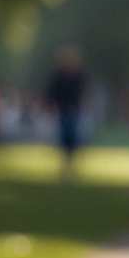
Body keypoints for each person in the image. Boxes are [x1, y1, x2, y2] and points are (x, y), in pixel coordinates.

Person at [45, 47, 86, 179]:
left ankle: (71, 168)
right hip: (63, 111)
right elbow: (52, 94)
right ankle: (66, 168)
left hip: (74, 111)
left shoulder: (77, 77)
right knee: (65, 140)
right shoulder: (59, 77)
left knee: (73, 140)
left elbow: (82, 94)